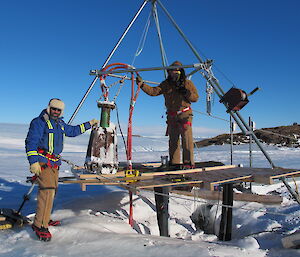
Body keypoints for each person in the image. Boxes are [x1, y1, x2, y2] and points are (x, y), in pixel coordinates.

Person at [25, 98, 99, 241]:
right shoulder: (39, 122)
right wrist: (34, 162)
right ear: (49, 108)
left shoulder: (60, 123)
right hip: (43, 161)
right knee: (47, 192)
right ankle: (40, 225)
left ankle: (44, 218)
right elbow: (31, 142)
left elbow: (73, 131)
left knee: (52, 192)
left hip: (54, 162)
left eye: (59, 110)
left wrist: (89, 124)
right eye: (54, 108)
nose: (56, 112)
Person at [136, 61, 199, 169]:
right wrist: (142, 85)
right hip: (172, 116)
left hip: (185, 114)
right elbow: (153, 91)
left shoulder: (187, 84)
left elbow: (195, 98)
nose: (173, 74)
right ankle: (174, 163)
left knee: (186, 139)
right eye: (171, 72)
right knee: (173, 140)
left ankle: (188, 163)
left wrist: (186, 92)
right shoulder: (166, 84)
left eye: (175, 72)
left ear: (180, 72)